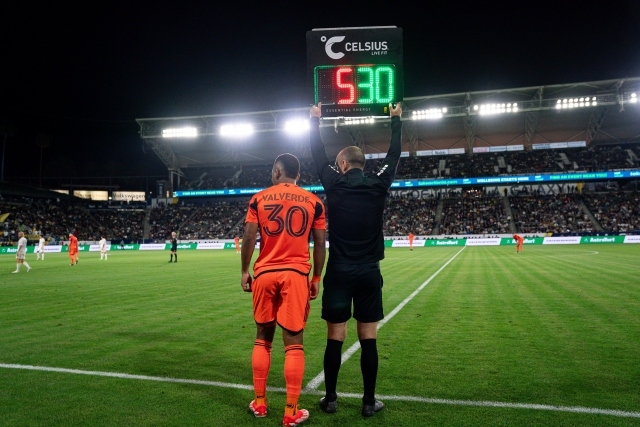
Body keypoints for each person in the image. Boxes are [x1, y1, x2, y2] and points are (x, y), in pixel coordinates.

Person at [308, 102, 402, 417]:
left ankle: (331, 398)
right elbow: (393, 156)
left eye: (337, 163)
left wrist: (315, 121)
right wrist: (396, 120)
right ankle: (367, 402)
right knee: (368, 338)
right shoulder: (379, 184)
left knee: (335, 336)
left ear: (345, 164)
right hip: (368, 273)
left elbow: (316, 154)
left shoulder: (333, 184)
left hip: (338, 271)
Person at [241, 153, 326, 426]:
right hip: (296, 275)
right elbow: (321, 244)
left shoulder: (259, 198)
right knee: (293, 341)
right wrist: (316, 278)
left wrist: (245, 270)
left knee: (263, 337)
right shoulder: (315, 201)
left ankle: (261, 403)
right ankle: (290, 412)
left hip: (265, 273)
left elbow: (249, 236)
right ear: (297, 175)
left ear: (277, 171)